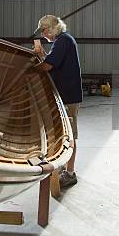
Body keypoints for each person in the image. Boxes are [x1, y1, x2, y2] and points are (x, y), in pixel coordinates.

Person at [33, 15, 82, 188]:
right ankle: (66, 170)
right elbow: (52, 61)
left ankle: (70, 173)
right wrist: (42, 55)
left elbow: (47, 66)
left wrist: (29, 70)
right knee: (66, 134)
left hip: (68, 96)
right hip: (66, 94)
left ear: (51, 29)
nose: (43, 34)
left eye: (44, 30)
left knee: (71, 135)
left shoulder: (63, 41)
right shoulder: (62, 41)